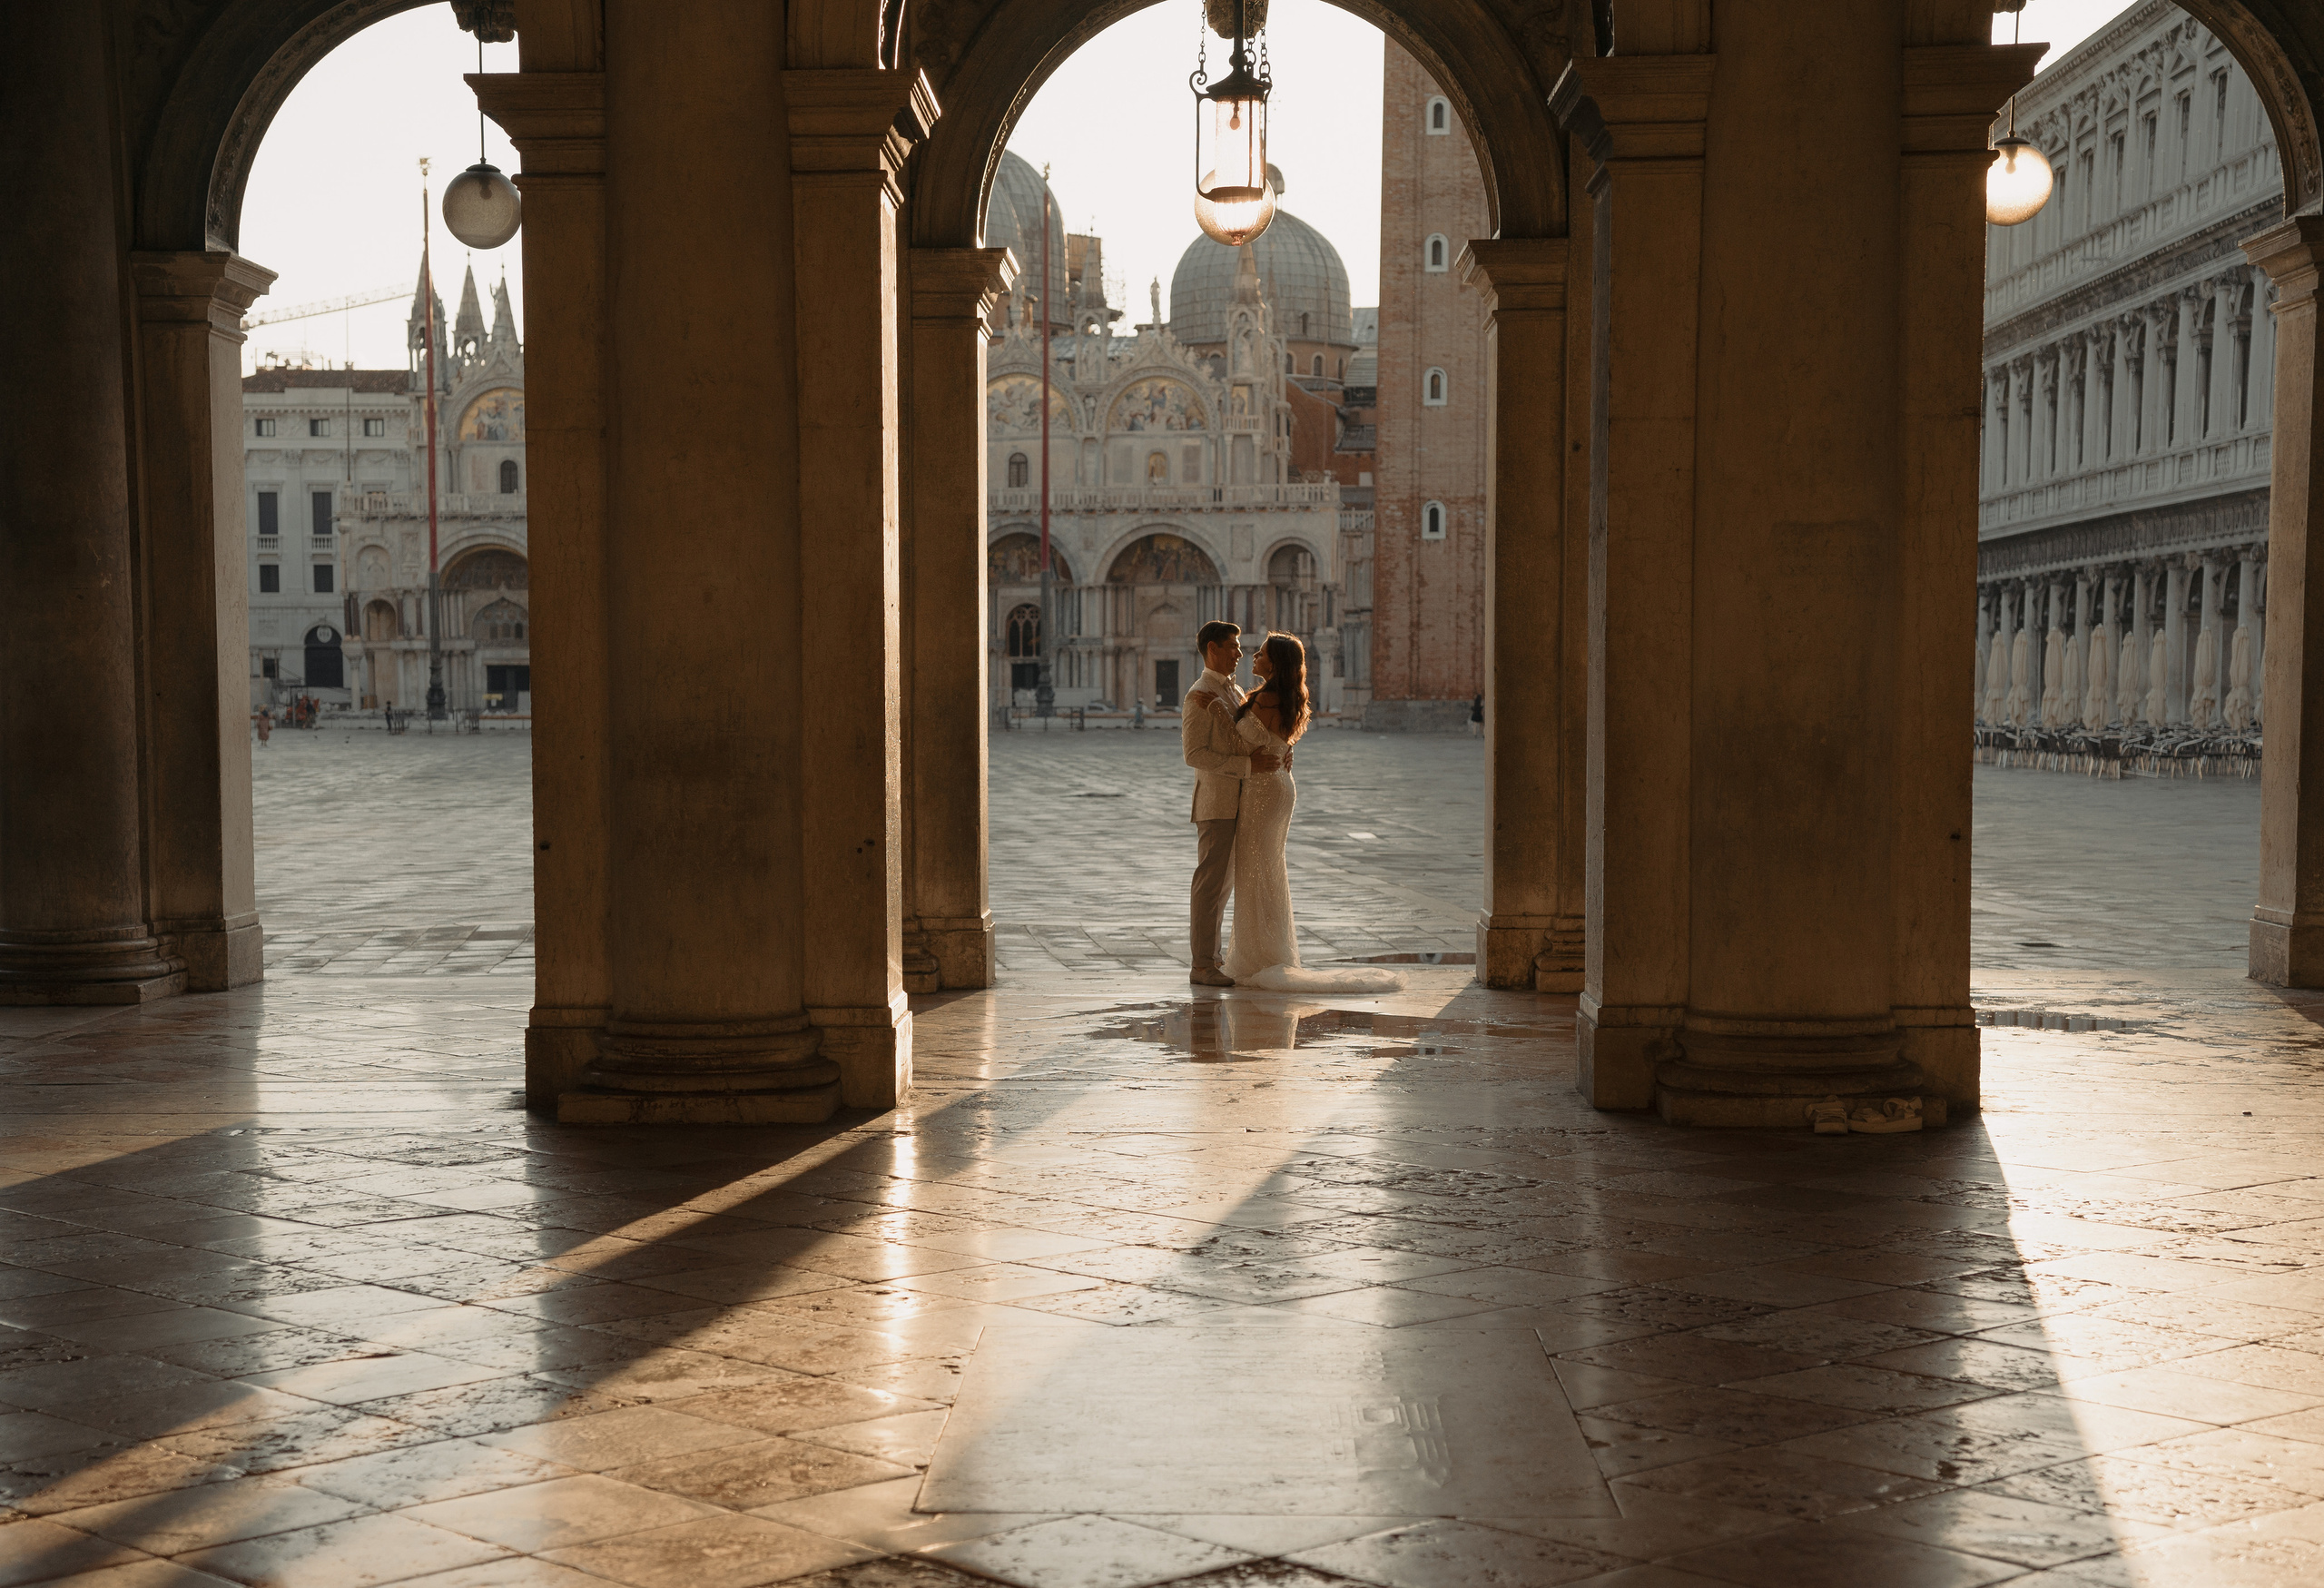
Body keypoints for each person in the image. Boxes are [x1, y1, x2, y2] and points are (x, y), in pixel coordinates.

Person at [1191, 633, 1403, 995]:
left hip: (1263, 791)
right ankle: (1260, 953)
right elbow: (1260, 742)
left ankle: (1258, 957)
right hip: (1274, 787)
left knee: (1257, 869)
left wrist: (1219, 711)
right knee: (1265, 869)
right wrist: (1280, 747)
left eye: (1260, 653)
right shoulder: (1268, 695)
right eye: (1242, 649)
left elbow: (1245, 743)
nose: (1250, 655)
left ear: (1274, 665)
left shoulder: (1257, 698)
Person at [1182, 621, 1281, 986]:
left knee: (1223, 888)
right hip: (1217, 804)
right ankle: (1202, 965)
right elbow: (1194, 754)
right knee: (1210, 886)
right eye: (1232, 646)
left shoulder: (1234, 689)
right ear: (1212, 649)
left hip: (1241, 802)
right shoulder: (1200, 693)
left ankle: (1213, 959)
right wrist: (1247, 766)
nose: (1240, 653)